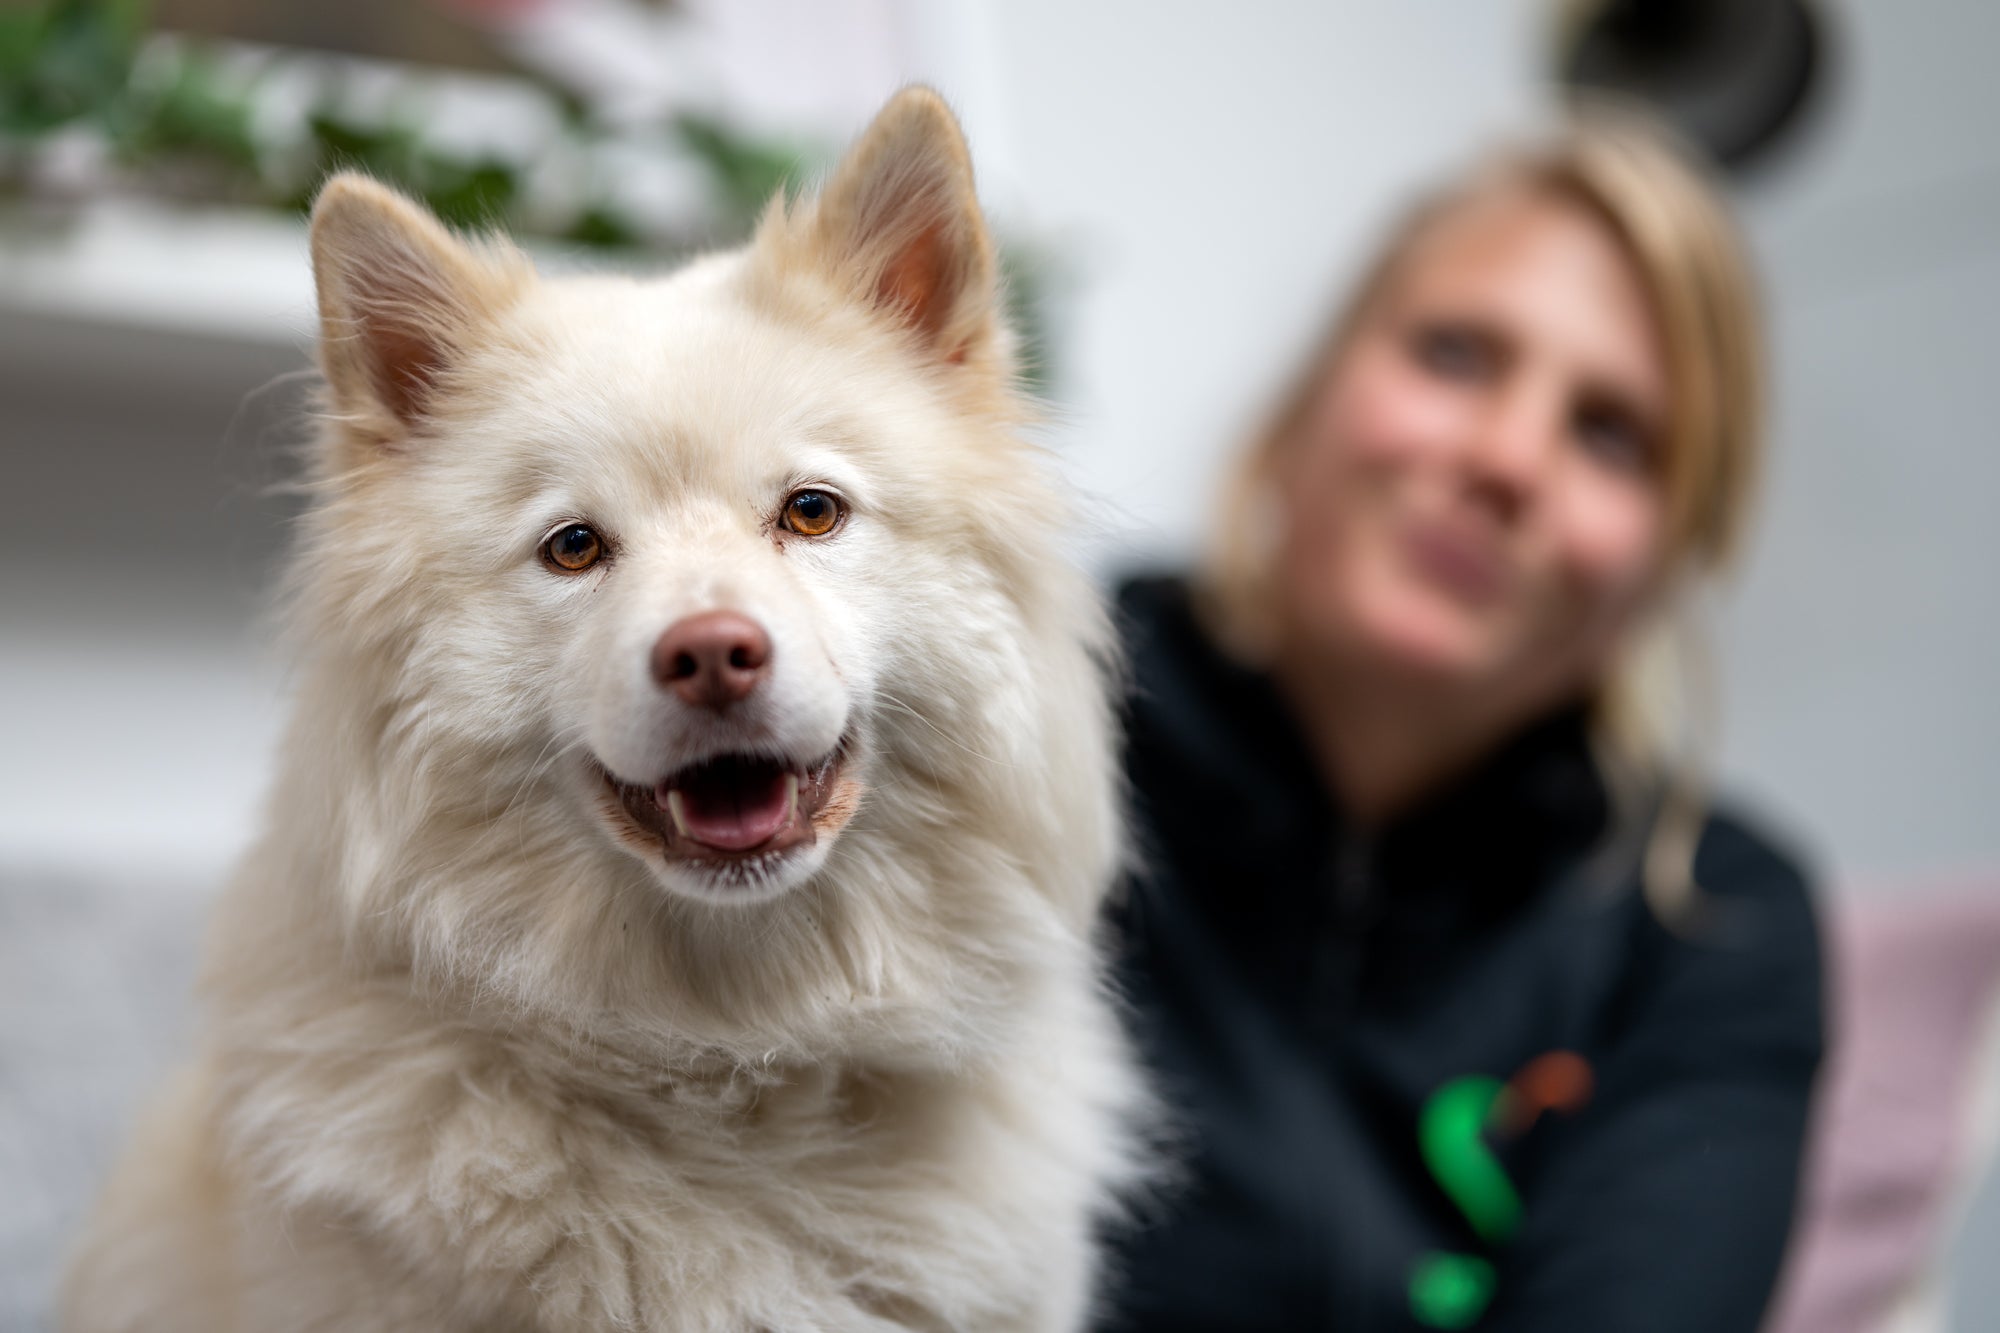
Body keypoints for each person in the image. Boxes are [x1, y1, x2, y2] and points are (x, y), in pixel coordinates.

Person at [1100, 108, 1824, 1332]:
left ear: (1666, 559)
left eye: (1608, 433)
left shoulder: (1707, 924)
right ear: (1306, 400)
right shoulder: (1015, 719)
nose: (1505, 457)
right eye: (1453, 354)